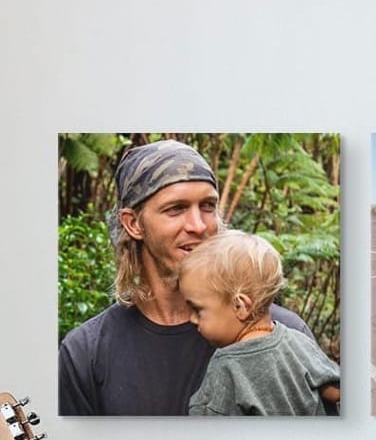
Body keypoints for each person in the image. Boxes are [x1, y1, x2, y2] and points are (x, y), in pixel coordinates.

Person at [58, 139, 322, 416]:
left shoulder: (282, 332)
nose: (198, 225)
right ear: (133, 224)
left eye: (208, 206)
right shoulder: (86, 354)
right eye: (176, 209)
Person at [180, 231, 341, 416]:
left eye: (197, 310)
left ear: (240, 306)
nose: (192, 318)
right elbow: (334, 392)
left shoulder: (226, 368)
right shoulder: (298, 340)